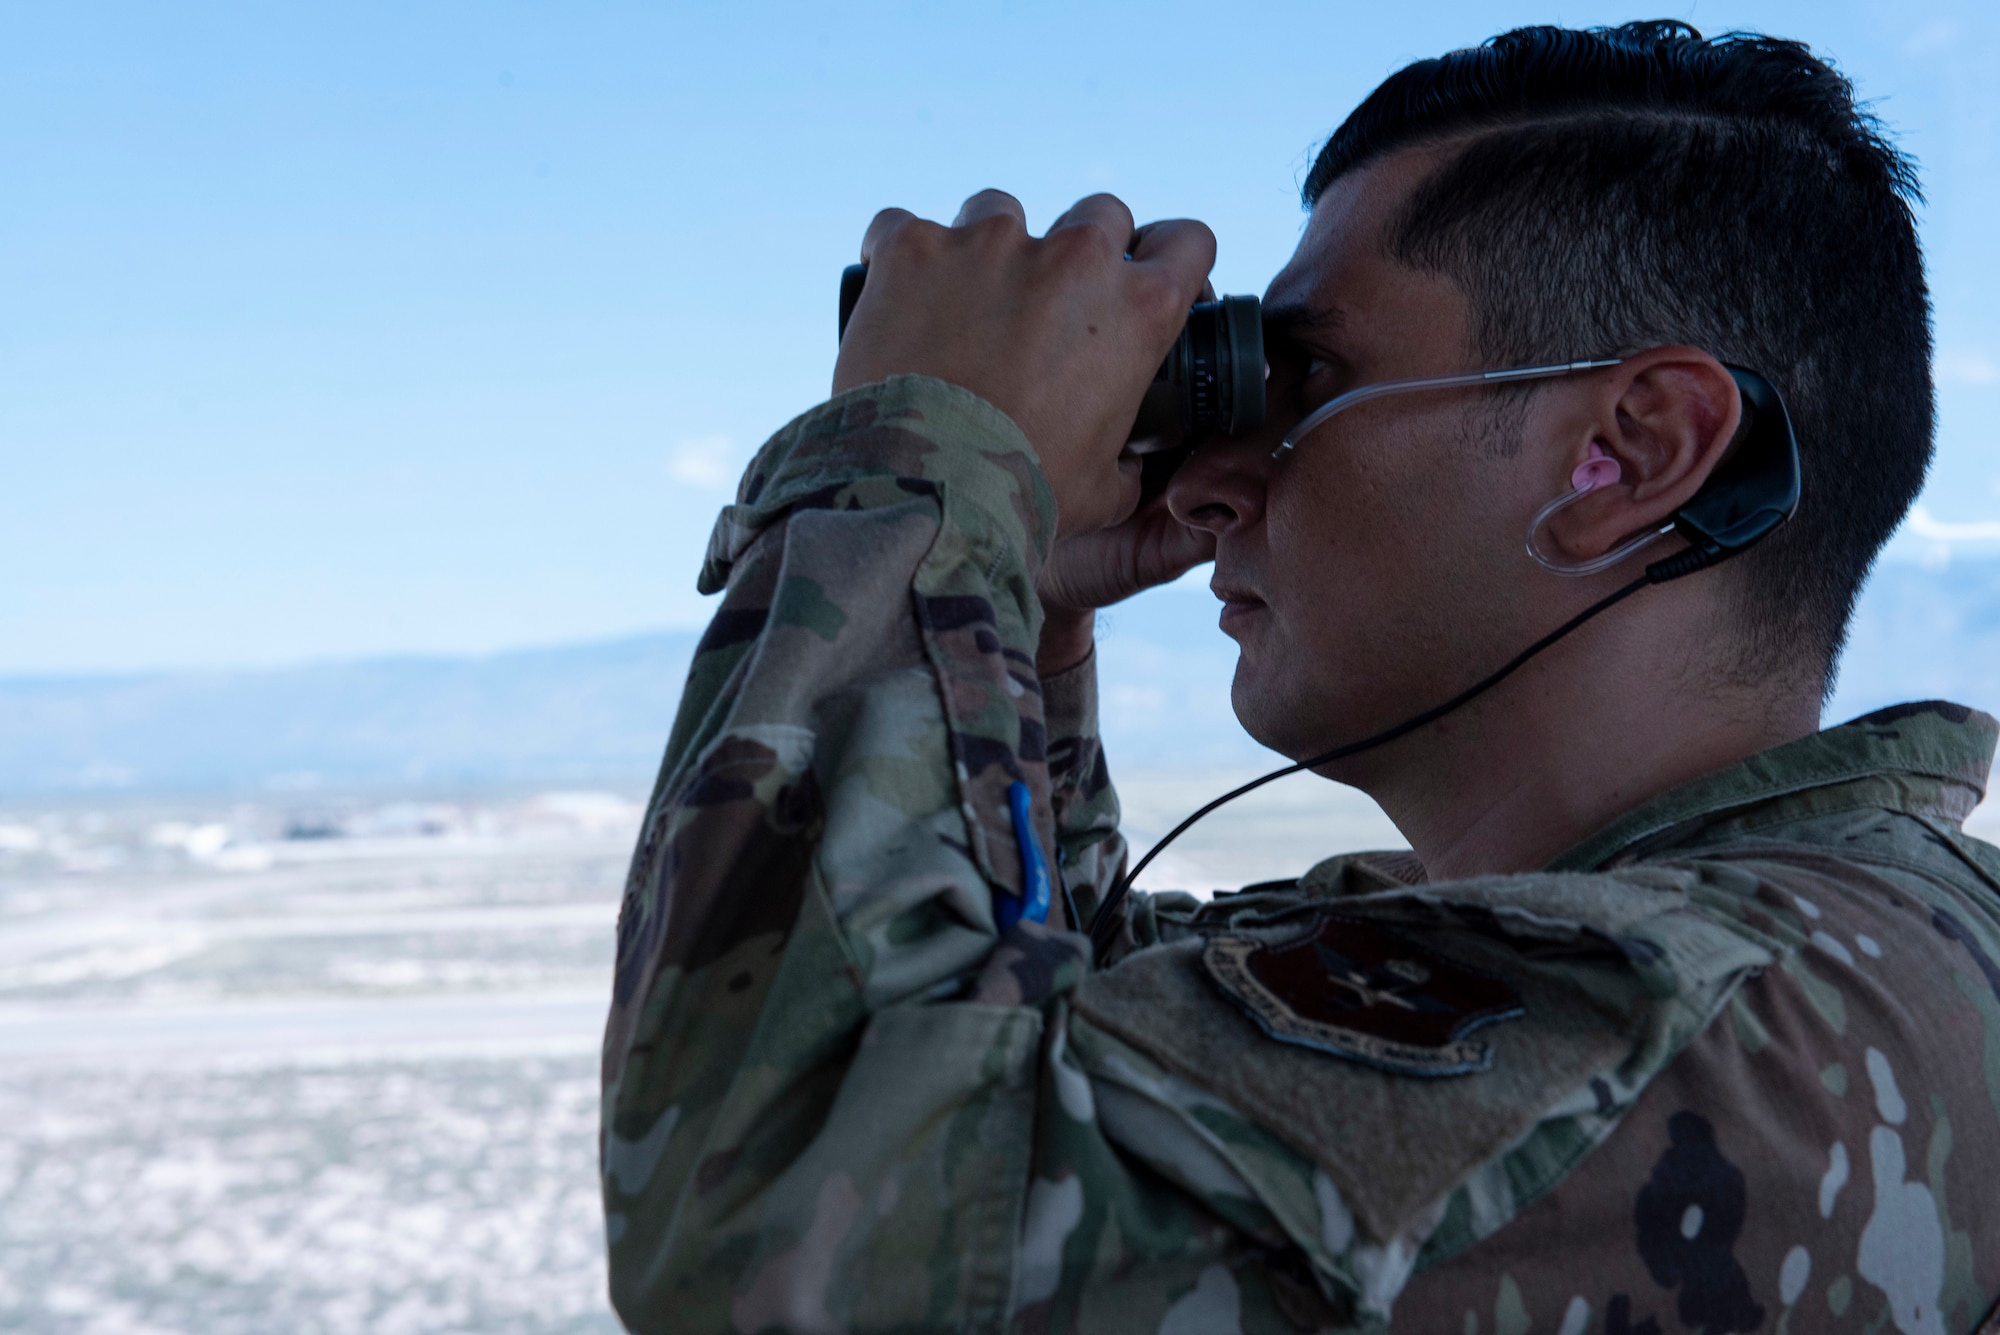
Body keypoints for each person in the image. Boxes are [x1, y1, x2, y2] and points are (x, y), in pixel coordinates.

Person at [599, 21, 2000, 1334]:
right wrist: (1011, 611)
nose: (1213, 480)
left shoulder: (1693, 1021)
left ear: (1628, 453)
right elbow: (1066, 1038)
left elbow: (798, 1243)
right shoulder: (1798, 946)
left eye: (1310, 376)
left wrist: (915, 471)